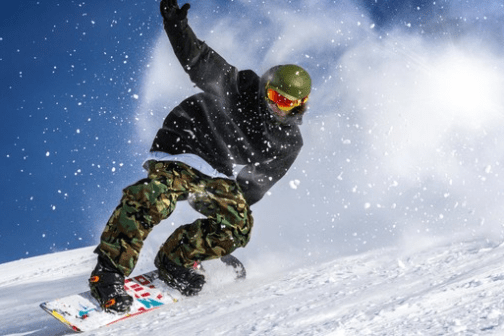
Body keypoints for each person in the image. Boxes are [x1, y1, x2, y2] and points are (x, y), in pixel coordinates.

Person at [88, 0, 312, 314]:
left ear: (300, 105)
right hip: (184, 143)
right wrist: (176, 26)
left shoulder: (288, 142)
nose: (278, 107)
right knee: (156, 197)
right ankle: (108, 273)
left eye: (288, 104)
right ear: (266, 88)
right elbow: (201, 60)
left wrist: (221, 223)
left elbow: (256, 184)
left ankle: (176, 258)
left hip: (215, 169)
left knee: (238, 224)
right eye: (275, 97)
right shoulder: (240, 88)